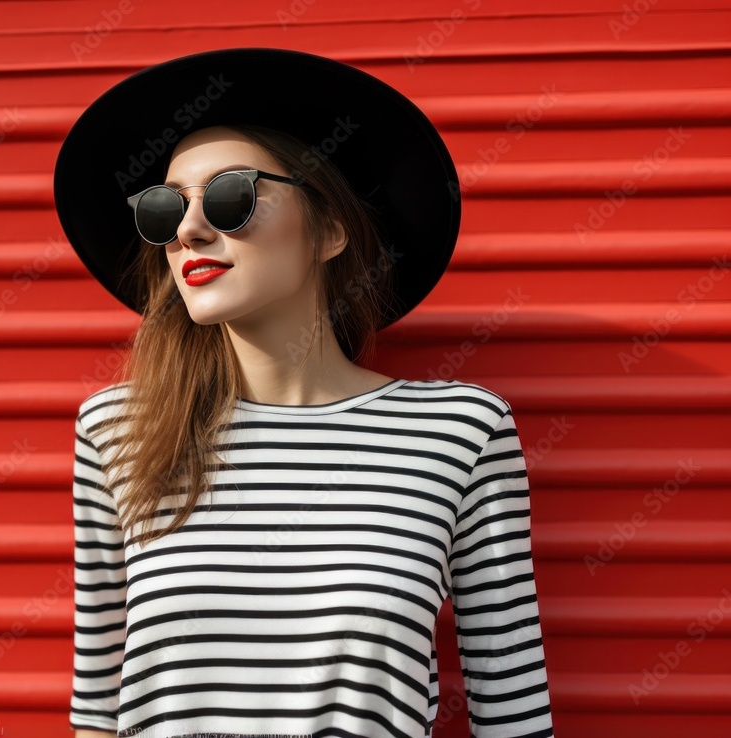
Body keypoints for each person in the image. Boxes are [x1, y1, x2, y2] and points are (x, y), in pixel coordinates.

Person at [53, 48, 554, 738]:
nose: (190, 231)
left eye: (231, 196)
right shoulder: (117, 429)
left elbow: (514, 707)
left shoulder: (461, 431)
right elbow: (96, 708)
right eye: (165, 209)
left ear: (332, 230)